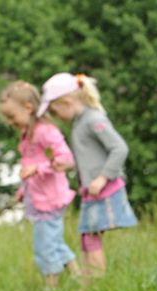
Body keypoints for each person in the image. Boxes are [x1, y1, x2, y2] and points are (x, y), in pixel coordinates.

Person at [39, 72, 138, 277]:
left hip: (104, 190)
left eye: (55, 111)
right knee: (87, 238)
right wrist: (69, 165)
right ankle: (88, 284)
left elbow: (120, 148)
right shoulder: (80, 123)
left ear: (66, 102)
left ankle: (97, 284)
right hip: (91, 192)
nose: (56, 117)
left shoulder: (93, 119)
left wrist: (102, 178)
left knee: (91, 238)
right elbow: (91, 158)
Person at [0, 81, 81, 288]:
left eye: (12, 116)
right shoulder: (28, 134)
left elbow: (65, 159)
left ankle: (51, 287)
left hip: (50, 199)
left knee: (44, 246)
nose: (10, 122)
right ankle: (78, 277)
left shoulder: (46, 132)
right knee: (54, 241)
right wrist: (23, 192)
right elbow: (30, 166)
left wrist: (38, 168)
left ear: (28, 107)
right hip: (37, 198)